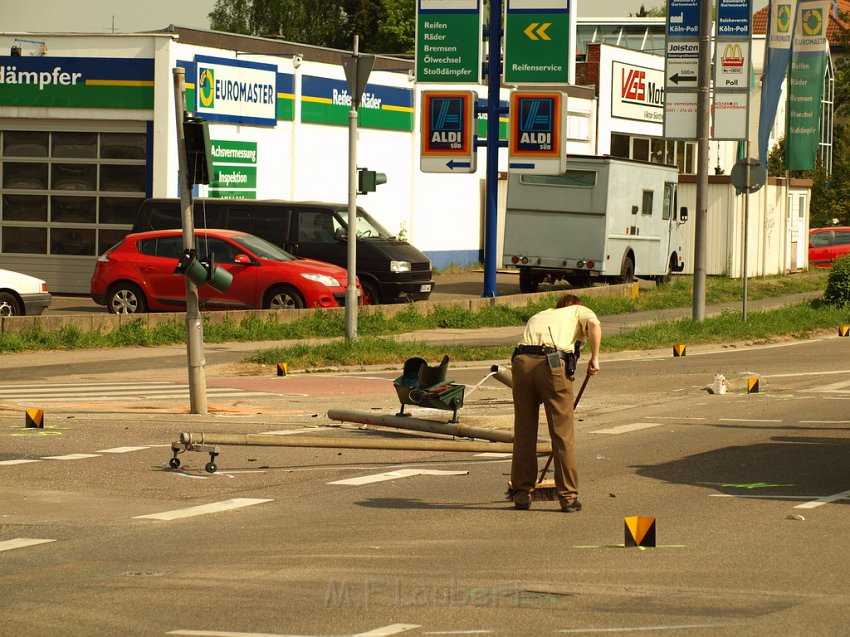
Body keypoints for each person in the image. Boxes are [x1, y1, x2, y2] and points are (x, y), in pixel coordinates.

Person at [510, 293, 602, 512]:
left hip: (521, 362)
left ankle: (521, 494)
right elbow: (594, 324)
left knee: (524, 432)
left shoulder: (541, 314)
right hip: (552, 363)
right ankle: (568, 497)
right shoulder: (579, 311)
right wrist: (595, 357)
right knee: (562, 433)